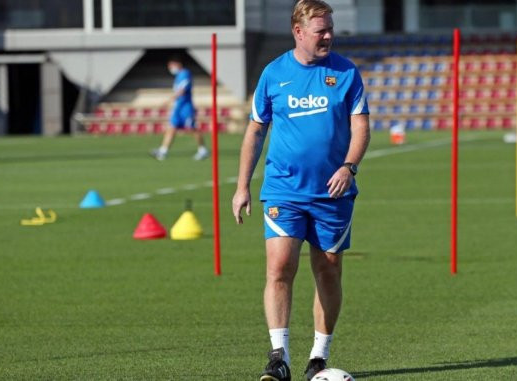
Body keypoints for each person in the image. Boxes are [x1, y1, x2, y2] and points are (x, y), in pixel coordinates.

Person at [231, 1, 370, 380]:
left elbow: (361, 128)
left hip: (333, 193)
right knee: (279, 267)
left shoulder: (345, 73)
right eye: (320, 30)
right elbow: (256, 130)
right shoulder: (274, 74)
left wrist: (348, 166)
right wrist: (243, 185)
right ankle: (279, 358)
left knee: (328, 270)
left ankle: (318, 357)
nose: (328, 35)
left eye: (330, 28)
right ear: (298, 32)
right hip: (283, 190)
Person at [151, 56, 209, 160]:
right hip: (178, 107)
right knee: (171, 128)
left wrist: (168, 100)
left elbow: (182, 90)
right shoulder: (178, 76)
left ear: (177, 64)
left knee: (192, 128)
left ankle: (203, 150)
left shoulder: (185, 74)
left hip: (185, 107)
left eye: (171, 66)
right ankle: (163, 151)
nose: (171, 68)